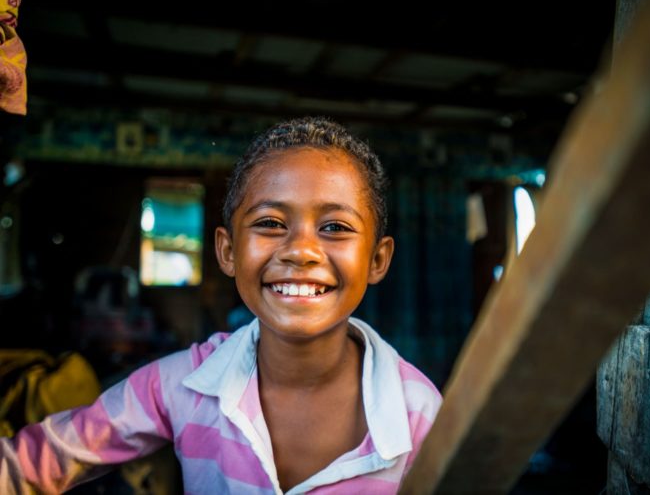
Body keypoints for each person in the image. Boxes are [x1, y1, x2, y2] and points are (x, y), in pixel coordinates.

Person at [0, 117, 442, 494]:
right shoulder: (179, 386)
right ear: (228, 251)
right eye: (270, 223)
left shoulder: (420, 415)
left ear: (377, 259)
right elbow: (34, 462)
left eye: (334, 226)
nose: (301, 250)